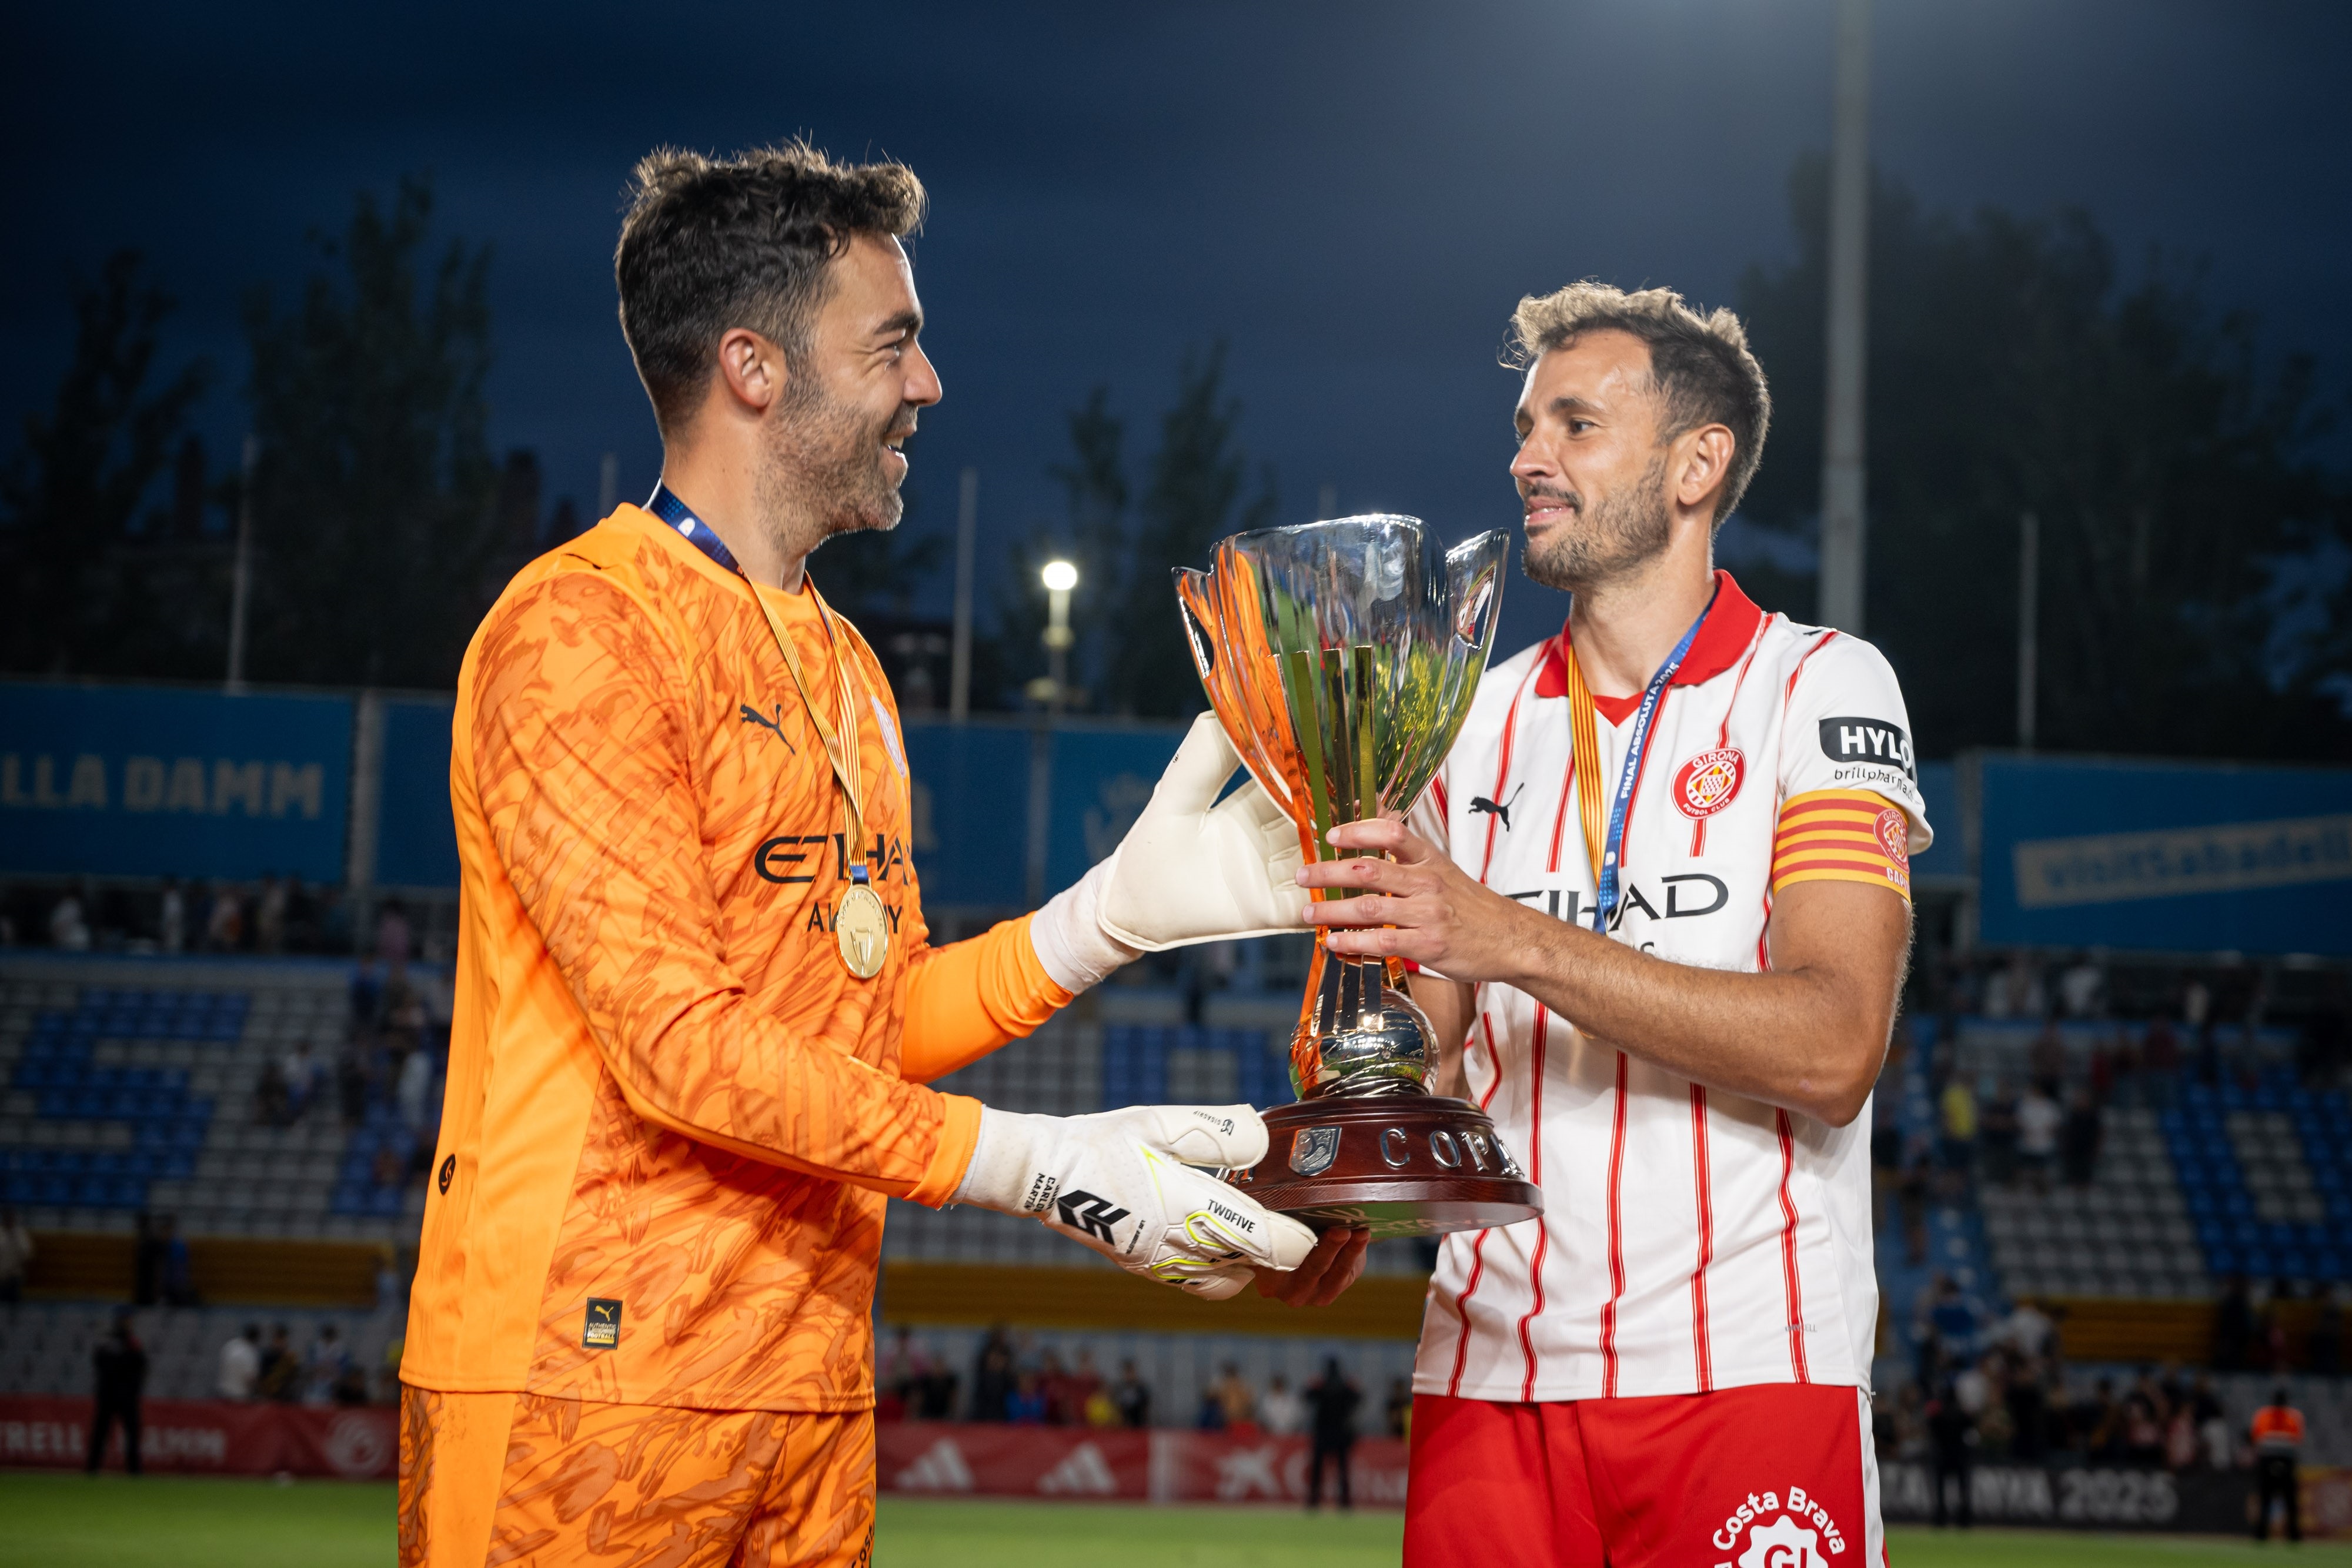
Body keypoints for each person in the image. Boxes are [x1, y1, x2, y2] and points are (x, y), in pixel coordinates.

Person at [395, 142, 1364, 1568]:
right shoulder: (581, 631)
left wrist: (1104, 921)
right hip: (581, 1386)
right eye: (891, 343)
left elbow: (867, 1021)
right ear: (752, 367)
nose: (929, 383)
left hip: (809, 1391)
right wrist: (1036, 1162)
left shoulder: (846, 662)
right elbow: (679, 1047)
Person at [1301, 282, 1930, 1566]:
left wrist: (1513, 937)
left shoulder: (1818, 685)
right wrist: (1348, 1077)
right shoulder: (1462, 718)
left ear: (1696, 465)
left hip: (1745, 1370)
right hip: (1488, 1376)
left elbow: (1833, 1046)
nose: (1526, 459)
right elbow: (1419, 1052)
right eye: (1526, 427)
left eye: (1575, 425)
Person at [85, 1308, 147, 1475]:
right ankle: (92, 1468)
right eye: (125, 1320)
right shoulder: (110, 1342)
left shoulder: (132, 1343)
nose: (128, 1323)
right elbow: (100, 1363)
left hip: (126, 1396)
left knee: (132, 1434)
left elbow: (141, 1367)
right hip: (109, 1394)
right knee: (101, 1432)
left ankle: (134, 1469)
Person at [1305, 1358, 1362, 1512]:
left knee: (1319, 1469)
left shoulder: (1322, 1385)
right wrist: (1354, 1387)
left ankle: (1314, 1500)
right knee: (1342, 1469)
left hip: (1324, 1433)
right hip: (1339, 1434)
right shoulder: (1344, 1386)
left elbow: (1307, 1396)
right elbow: (1358, 1399)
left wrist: (1312, 1385)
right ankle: (1344, 1501)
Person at [2250, 1385, 2304, 1542]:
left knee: (2271, 1499)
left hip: (2270, 1460)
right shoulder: (2293, 1416)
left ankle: (2263, 1534)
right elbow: (2297, 1439)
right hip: (2283, 1460)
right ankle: (2292, 1535)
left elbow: (2256, 1438)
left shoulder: (2264, 1415)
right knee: (2285, 1500)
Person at [217, 1323, 262, 1401]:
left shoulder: (231, 1345)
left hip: (223, 1393)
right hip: (239, 1397)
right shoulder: (250, 1352)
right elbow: (250, 1379)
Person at [0, 1205, 31, 1302]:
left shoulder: (20, 1234)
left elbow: (27, 1255)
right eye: (7, 1218)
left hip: (14, 1276)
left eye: (11, 1218)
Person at [1259, 1373, 1305, 1437]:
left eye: (1280, 1384)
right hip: (1271, 1435)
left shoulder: (1293, 1400)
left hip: (1290, 1434)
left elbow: (1298, 1416)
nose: (1279, 1387)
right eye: (1277, 1384)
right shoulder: (1266, 1401)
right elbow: (1264, 1418)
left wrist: (1289, 1428)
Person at [1112, 1360, 1152, 1429]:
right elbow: (1117, 1406)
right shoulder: (1119, 1389)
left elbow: (1145, 1407)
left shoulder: (1141, 1388)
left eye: (1131, 1372)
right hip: (1124, 1423)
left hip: (1139, 1423)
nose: (1129, 1375)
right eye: (1127, 1373)